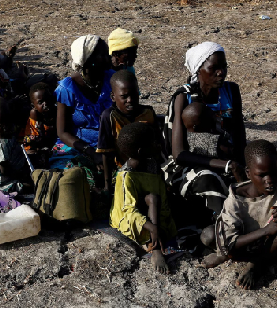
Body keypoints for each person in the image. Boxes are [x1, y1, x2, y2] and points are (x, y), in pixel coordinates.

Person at [163, 42, 246, 229]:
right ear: (198, 70)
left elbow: (240, 136)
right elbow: (179, 154)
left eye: (224, 67)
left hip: (228, 158)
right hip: (193, 164)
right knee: (208, 179)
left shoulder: (231, 91)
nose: (221, 72)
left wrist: (242, 165)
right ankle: (226, 231)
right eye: (214, 68)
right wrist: (226, 166)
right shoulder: (184, 97)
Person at [202, 140, 277, 291]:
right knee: (208, 235)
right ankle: (226, 256)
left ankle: (256, 266)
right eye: (262, 175)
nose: (270, 181)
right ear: (248, 173)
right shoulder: (235, 200)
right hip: (244, 241)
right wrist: (267, 230)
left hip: (268, 246)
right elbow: (229, 244)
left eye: (274, 172)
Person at [110, 122, 177, 274]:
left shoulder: (152, 165)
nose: (159, 144)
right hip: (130, 215)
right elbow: (128, 210)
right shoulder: (125, 176)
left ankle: (155, 238)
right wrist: (152, 226)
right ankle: (156, 249)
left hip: (152, 206)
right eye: (154, 142)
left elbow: (161, 197)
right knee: (149, 220)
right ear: (141, 151)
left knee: (154, 198)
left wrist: (160, 222)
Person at [52, 34, 114, 189]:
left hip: (110, 145)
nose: (109, 58)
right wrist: (91, 153)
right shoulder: (68, 89)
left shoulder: (113, 80)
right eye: (104, 55)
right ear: (89, 62)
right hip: (78, 147)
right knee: (76, 180)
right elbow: (63, 132)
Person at [97, 70, 161, 191]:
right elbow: (106, 152)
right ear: (113, 97)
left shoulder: (148, 113)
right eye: (124, 96)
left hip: (149, 167)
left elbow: (158, 145)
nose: (130, 100)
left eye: (134, 94)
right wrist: (107, 185)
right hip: (122, 170)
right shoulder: (110, 117)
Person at [0, 96, 30, 193]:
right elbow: (5, 171)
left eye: (8, 122)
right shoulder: (0, 146)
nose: (5, 127)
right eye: (0, 125)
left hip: (14, 167)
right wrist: (22, 174)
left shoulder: (0, 133)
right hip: (5, 183)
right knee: (32, 185)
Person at [20, 82, 56, 168]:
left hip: (45, 143)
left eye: (48, 99)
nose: (46, 104)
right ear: (34, 106)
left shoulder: (55, 111)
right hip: (32, 143)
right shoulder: (35, 114)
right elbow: (39, 137)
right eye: (41, 102)